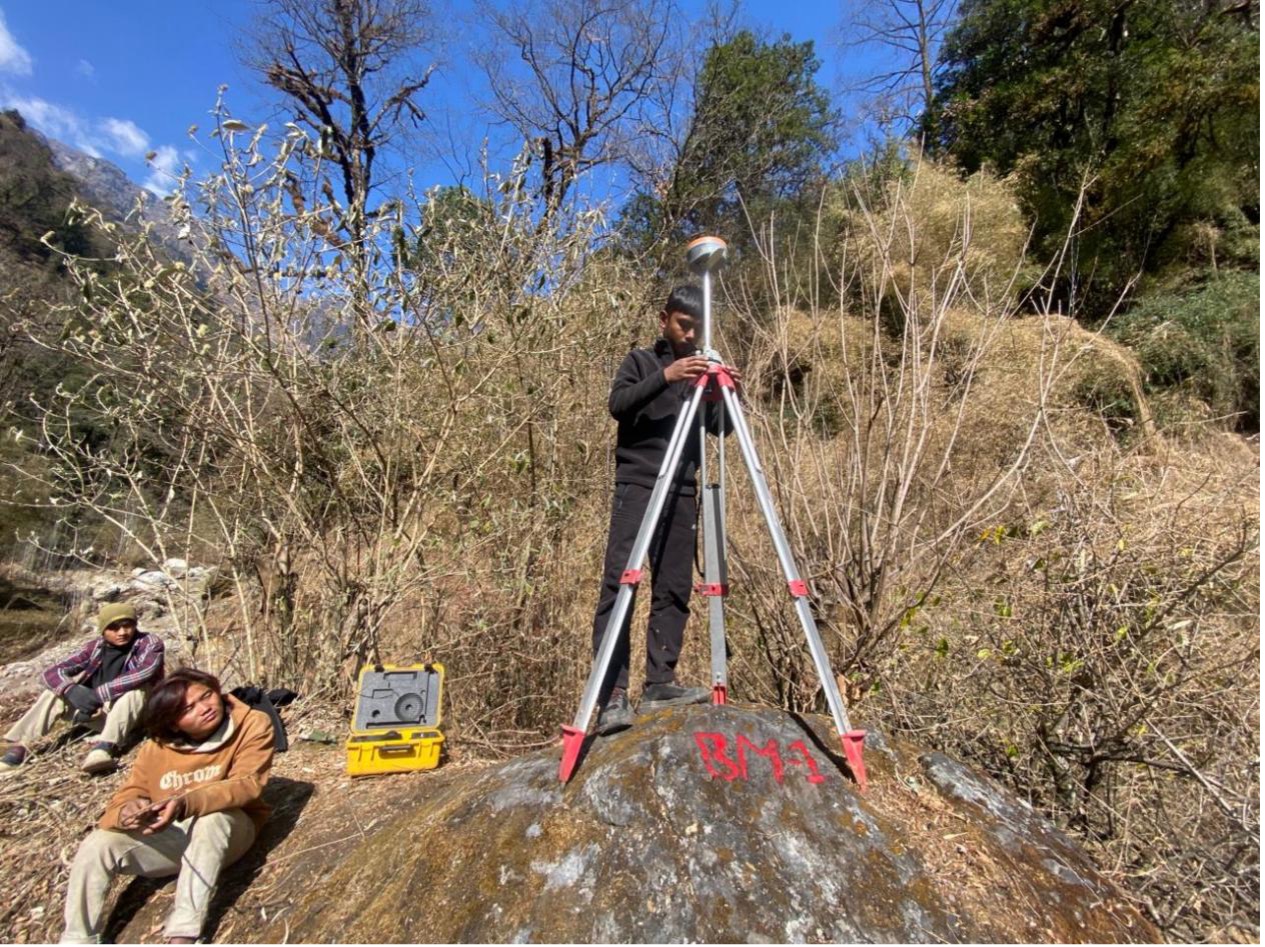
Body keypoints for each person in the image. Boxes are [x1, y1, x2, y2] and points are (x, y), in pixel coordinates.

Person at [590, 284, 740, 735]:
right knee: (621, 586)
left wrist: (726, 391)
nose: (690, 336)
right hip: (638, 485)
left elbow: (721, 431)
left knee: (673, 587)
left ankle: (661, 681)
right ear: (665, 319)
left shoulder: (701, 370)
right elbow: (618, 405)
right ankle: (612, 695)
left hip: (683, 488)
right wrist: (669, 375)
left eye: (698, 329)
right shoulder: (641, 362)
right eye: (683, 325)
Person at [61, 667, 275, 945]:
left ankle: (184, 932)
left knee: (212, 819)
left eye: (207, 695)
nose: (204, 708)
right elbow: (127, 796)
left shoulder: (252, 722)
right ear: (174, 723)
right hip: (173, 838)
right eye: (188, 709)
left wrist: (186, 803)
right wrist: (128, 812)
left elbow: (247, 784)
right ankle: (78, 938)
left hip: (230, 831)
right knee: (98, 843)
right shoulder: (155, 748)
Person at [1, 602, 164, 775]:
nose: (122, 632)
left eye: (127, 626)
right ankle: (19, 748)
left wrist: (96, 696)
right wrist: (71, 690)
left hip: (136, 716)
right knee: (53, 693)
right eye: (114, 627)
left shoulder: (149, 643)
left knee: (136, 691)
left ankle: (104, 748)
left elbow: (144, 672)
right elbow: (51, 673)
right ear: (103, 629)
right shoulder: (94, 647)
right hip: (98, 713)